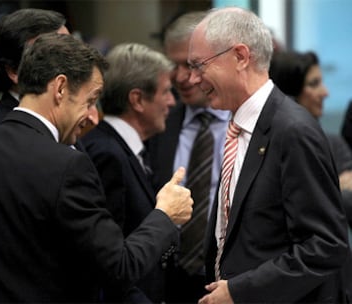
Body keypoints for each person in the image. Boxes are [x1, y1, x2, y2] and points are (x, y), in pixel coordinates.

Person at [0, 32, 193, 302]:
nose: (92, 114)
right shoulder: (67, 165)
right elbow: (119, 266)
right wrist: (165, 215)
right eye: (90, 99)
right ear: (60, 88)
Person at [187, 7, 351, 303]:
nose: (192, 79)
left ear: (240, 56)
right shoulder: (239, 126)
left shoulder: (293, 131)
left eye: (199, 65)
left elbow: (325, 246)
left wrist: (240, 291)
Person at [81, 42, 176, 303]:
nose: (171, 101)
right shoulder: (107, 154)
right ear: (137, 99)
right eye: (166, 92)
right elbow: (108, 261)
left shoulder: (130, 149)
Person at [147, 11, 230, 303]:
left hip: (230, 281)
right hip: (169, 279)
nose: (181, 77)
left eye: (191, 65)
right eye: (173, 65)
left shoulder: (247, 124)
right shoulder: (160, 123)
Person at [269, 50, 352, 233]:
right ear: (291, 93)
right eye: (314, 84)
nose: (325, 92)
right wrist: (335, 186)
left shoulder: (334, 145)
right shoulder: (267, 144)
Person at [0, 8, 71, 136]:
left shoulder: (68, 121)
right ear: (14, 71)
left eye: (71, 52)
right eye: (57, 55)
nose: (72, 64)